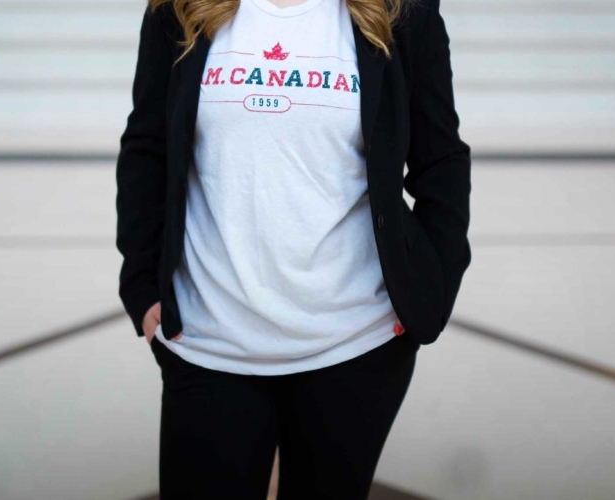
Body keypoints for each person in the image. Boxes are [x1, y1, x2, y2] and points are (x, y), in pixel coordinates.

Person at [115, 0, 471, 496]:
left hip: (355, 344)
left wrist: (432, 289)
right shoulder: (180, 9)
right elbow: (147, 147)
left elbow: (441, 160)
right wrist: (140, 283)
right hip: (208, 339)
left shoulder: (401, 11)